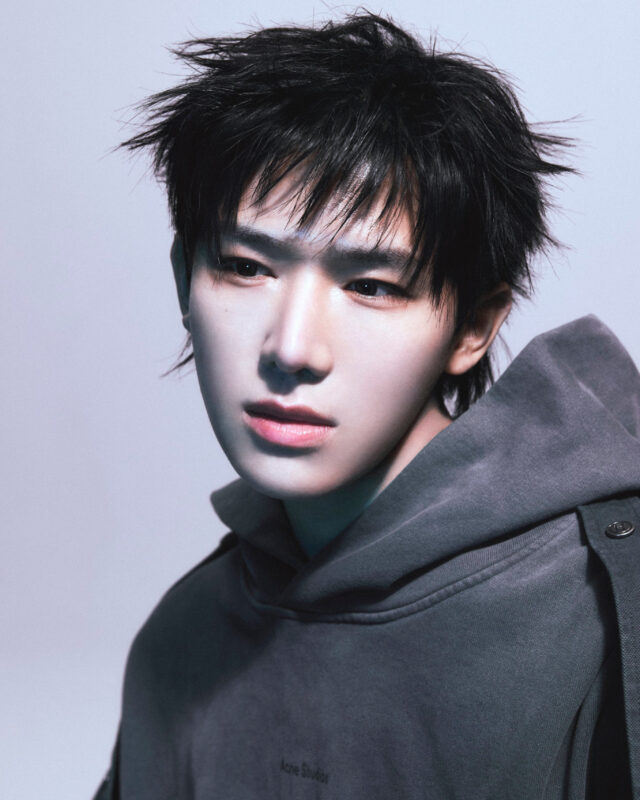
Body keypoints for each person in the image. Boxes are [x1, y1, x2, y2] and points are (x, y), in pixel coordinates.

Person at [94, 12, 640, 799]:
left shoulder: (604, 612)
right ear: (185, 280)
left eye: (372, 286)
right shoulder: (182, 639)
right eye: (246, 267)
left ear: (474, 327)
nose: (293, 348)